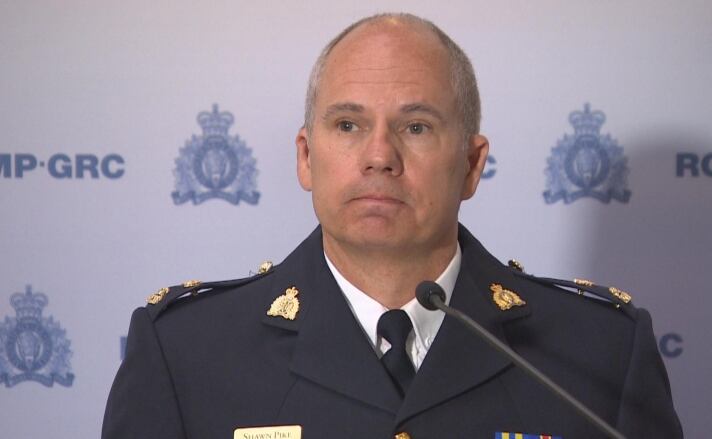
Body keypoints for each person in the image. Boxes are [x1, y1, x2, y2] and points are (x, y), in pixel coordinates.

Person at [102, 13, 682, 439]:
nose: (380, 156)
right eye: (349, 124)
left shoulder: (598, 353)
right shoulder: (186, 352)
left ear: (472, 165)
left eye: (417, 127)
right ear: (306, 157)